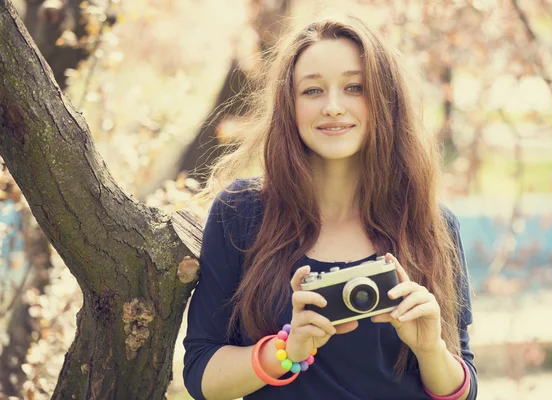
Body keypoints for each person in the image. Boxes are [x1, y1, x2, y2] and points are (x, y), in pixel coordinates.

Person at [183, 14, 478, 400]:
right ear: (288, 104)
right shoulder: (241, 213)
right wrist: (287, 351)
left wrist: (430, 349)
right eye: (312, 91)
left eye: (354, 87)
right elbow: (200, 373)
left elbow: (464, 388)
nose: (334, 107)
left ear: (385, 100)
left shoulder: (431, 223)